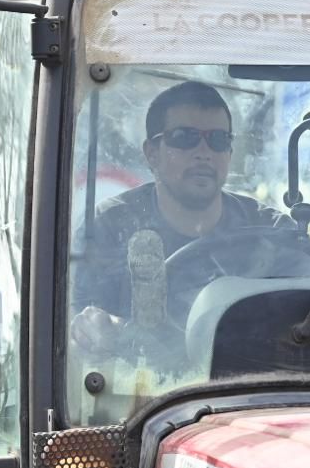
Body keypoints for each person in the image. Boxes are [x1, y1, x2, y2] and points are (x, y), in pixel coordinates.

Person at [71, 80, 293, 351]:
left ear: (229, 153)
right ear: (152, 153)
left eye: (218, 140)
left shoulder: (274, 235)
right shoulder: (109, 230)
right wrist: (101, 330)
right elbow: (80, 329)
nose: (204, 153)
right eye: (184, 138)